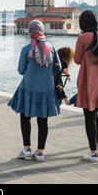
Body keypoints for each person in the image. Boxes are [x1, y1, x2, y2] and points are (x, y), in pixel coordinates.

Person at [8, 19, 61, 162]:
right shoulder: (51, 47)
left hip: (28, 89)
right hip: (46, 89)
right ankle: (40, 152)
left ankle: (26, 149)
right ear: (42, 30)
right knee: (42, 120)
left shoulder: (26, 49)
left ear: (30, 32)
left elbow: (20, 70)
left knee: (25, 117)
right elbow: (58, 68)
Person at [74, 10, 98, 162]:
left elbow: (77, 60)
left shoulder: (83, 37)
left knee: (88, 116)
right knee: (95, 112)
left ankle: (93, 152)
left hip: (88, 80)